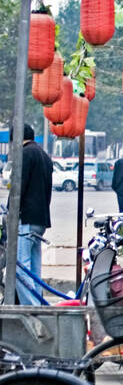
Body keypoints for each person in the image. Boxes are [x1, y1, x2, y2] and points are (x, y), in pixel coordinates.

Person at [15, 125, 53, 306]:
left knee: (20, 267)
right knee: (34, 268)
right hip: (41, 219)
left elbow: (18, 188)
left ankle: (31, 306)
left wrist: (10, 212)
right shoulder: (44, 155)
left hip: (26, 218)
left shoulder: (25, 154)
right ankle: (39, 302)